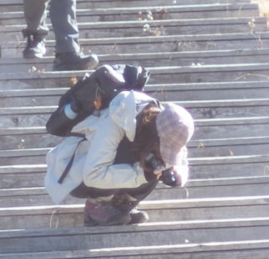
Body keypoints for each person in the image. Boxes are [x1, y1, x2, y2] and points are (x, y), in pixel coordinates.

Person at [44, 89, 194, 226]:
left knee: (159, 165)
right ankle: (97, 206)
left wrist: (177, 176)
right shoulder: (115, 121)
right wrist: (143, 175)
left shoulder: (168, 126)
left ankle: (120, 206)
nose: (166, 150)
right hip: (75, 172)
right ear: (155, 134)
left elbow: (181, 161)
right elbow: (93, 175)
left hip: (95, 170)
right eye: (164, 146)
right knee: (142, 161)